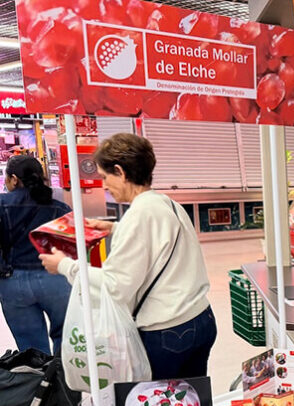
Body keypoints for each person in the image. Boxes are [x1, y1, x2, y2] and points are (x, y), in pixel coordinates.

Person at [40, 133, 216, 379]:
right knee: (192, 404)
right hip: (201, 318)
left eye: (104, 177)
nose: (104, 185)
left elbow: (116, 286)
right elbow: (159, 240)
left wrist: (65, 266)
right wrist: (114, 228)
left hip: (168, 332)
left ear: (121, 172)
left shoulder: (139, 215)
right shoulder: (167, 203)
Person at [0, 155, 72, 355]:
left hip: (13, 282)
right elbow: (70, 246)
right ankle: (62, 381)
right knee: (65, 337)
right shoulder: (60, 208)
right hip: (55, 279)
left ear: (14, 179)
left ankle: (41, 383)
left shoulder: (2, 204)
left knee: (31, 348)